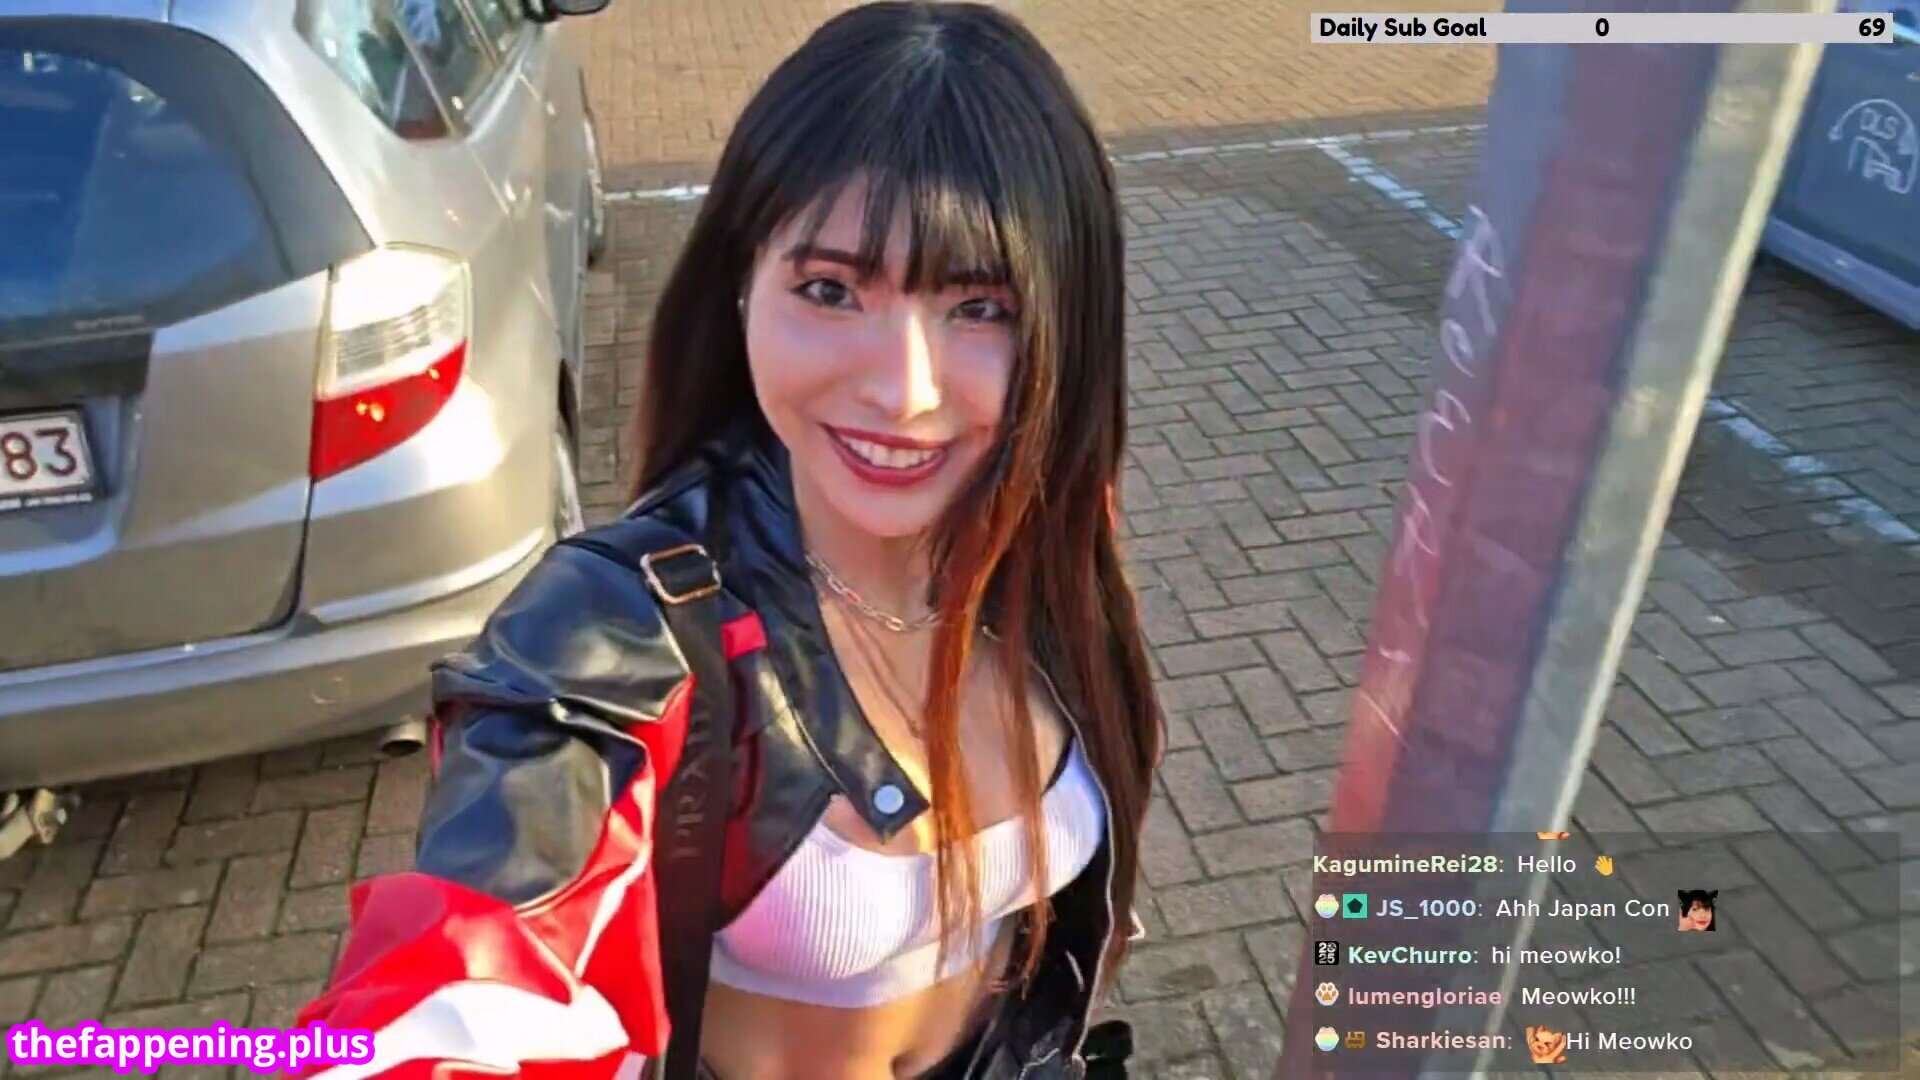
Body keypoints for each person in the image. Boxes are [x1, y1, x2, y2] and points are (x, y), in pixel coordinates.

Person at [293, 3, 1164, 1078]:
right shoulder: (616, 630)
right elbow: (458, 985)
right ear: (743, 282)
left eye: (980, 307)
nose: (904, 390)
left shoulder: (1041, 545)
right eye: (831, 290)